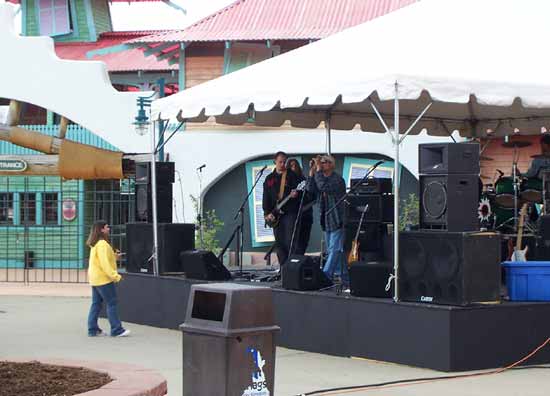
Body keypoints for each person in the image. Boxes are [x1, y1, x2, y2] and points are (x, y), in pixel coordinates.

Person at [308, 154, 349, 286]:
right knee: (338, 250)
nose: (321, 164)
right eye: (321, 162)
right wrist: (311, 173)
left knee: (334, 249)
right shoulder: (320, 178)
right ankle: (346, 278)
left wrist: (318, 171)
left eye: (324, 162)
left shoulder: (337, 180)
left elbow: (324, 187)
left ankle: (325, 276)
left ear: (331, 164)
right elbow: (311, 189)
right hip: (326, 220)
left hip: (337, 218)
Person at [86, 220, 130, 337]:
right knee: (112, 303)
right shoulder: (102, 244)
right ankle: (116, 329)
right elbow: (104, 264)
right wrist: (116, 276)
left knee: (96, 304)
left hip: (95, 279)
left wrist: (115, 256)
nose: (108, 229)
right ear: (101, 230)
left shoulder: (95, 243)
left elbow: (102, 259)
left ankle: (92, 329)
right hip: (103, 279)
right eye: (106, 227)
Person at [263, 151, 301, 266]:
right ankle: (283, 269)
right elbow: (266, 197)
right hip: (275, 214)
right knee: (279, 243)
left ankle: (292, 268)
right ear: (275, 161)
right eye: (280, 162)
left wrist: (296, 194)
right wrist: (267, 213)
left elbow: (301, 190)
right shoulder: (269, 178)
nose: (283, 164)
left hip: (289, 213)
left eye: (284, 162)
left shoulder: (292, 175)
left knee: (290, 240)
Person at [287, 158, 314, 255]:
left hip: (306, 215)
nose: (293, 167)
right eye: (291, 166)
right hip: (292, 216)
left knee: (303, 241)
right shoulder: (286, 182)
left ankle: (299, 262)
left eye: (295, 165)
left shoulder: (304, 180)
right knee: (294, 242)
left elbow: (311, 196)